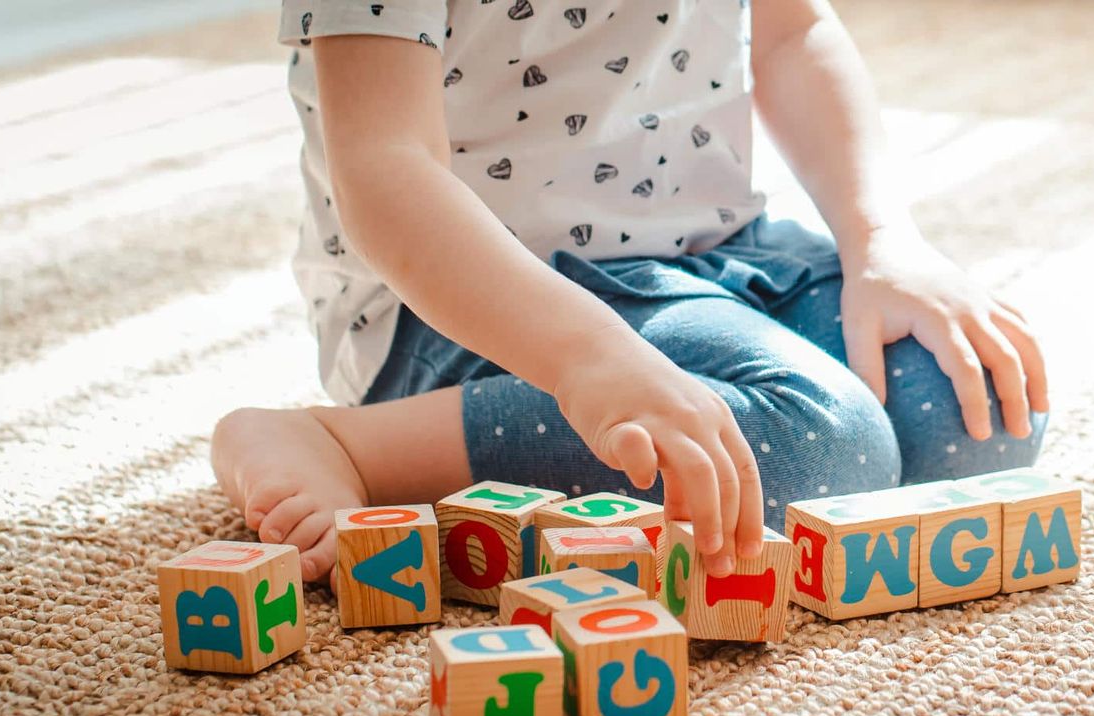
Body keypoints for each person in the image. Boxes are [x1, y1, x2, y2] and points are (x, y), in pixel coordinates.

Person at [211, 0, 1049, 583]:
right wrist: (588, 360)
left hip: (712, 257)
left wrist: (881, 242)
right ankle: (354, 445)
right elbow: (387, 171)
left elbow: (794, 36)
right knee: (829, 451)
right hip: (486, 303)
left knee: (970, 410)